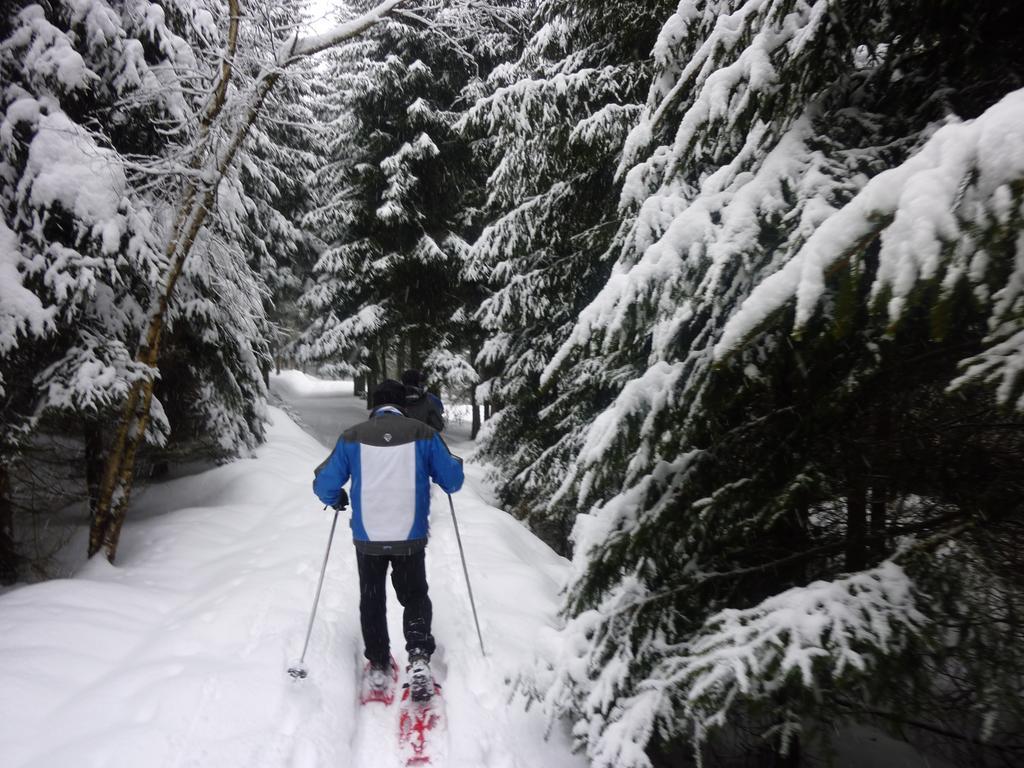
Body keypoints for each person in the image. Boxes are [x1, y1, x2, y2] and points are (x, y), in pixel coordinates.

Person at [312, 379, 463, 701]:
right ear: (403, 405)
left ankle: (379, 663)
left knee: (372, 597)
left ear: (373, 406)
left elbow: (324, 481)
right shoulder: (423, 434)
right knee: (414, 595)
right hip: (410, 536)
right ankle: (419, 656)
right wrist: (453, 469)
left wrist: (336, 497)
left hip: (368, 537)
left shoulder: (352, 437)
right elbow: (452, 480)